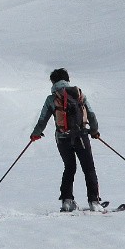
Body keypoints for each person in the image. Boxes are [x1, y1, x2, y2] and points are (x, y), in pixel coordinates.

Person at [30, 67, 105, 211]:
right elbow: (91, 115)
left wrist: (35, 134)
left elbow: (42, 120)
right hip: (81, 136)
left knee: (69, 168)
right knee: (89, 168)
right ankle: (94, 202)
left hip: (62, 139)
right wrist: (94, 131)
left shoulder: (51, 99)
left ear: (53, 82)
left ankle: (66, 201)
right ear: (67, 79)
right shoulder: (79, 94)